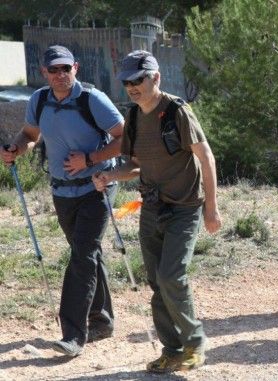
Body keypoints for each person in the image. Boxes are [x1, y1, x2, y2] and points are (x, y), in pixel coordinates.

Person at [92, 50, 222, 373]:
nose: (133, 86)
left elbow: (206, 157)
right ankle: (172, 349)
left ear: (156, 78)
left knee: (171, 276)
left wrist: (212, 208)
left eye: (139, 79)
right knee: (156, 282)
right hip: (151, 207)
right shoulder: (134, 117)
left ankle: (195, 343)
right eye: (128, 82)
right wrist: (110, 175)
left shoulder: (177, 111)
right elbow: (134, 167)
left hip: (185, 208)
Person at [0, 45, 124, 356]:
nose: (60, 75)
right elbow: (30, 135)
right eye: (53, 69)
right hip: (63, 191)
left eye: (65, 69)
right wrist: (14, 149)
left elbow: (126, 137)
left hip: (98, 186)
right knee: (88, 253)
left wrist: (91, 158)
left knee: (82, 255)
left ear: (76, 68)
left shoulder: (91, 99)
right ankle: (102, 321)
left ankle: (73, 334)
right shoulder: (39, 99)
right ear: (44, 72)